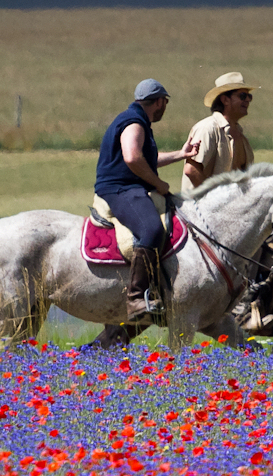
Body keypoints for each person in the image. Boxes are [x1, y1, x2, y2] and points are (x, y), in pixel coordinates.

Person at [95, 79, 197, 321]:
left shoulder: (136, 120)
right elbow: (132, 158)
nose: (165, 107)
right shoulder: (134, 122)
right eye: (166, 103)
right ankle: (137, 297)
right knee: (151, 230)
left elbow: (144, 159)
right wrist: (158, 184)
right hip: (121, 189)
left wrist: (181, 155)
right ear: (160, 101)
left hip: (128, 187)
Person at [182, 71, 257, 195]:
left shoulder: (241, 136)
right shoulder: (207, 128)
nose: (248, 100)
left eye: (250, 96)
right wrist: (212, 199)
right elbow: (191, 170)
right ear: (225, 100)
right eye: (243, 96)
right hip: (198, 210)